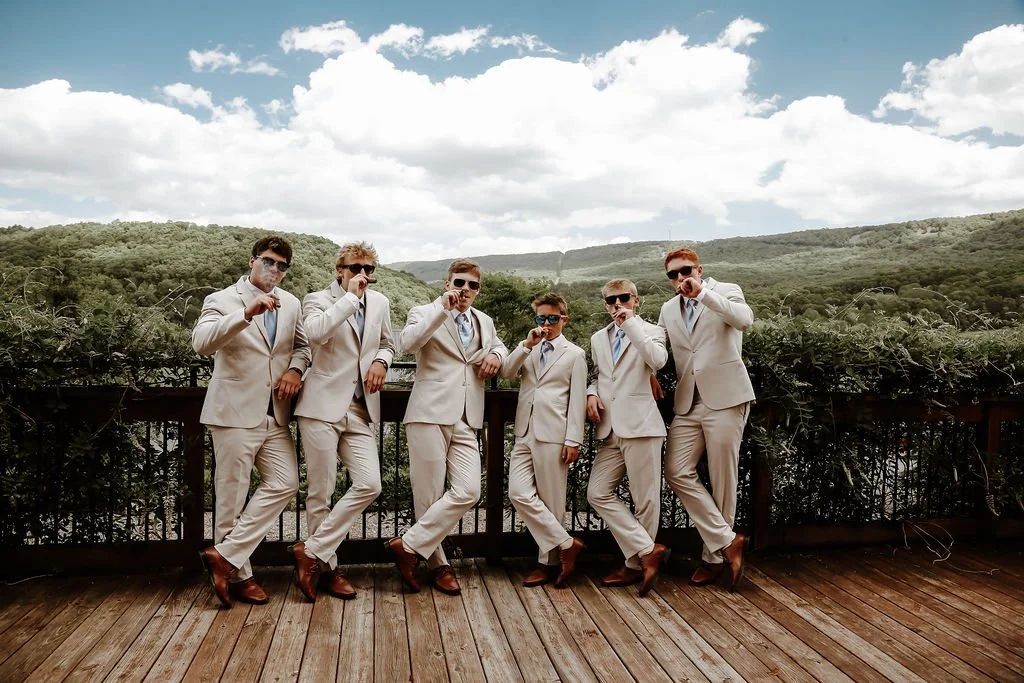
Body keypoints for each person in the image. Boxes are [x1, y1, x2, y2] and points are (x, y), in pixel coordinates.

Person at [193, 235, 311, 608]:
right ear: (252, 261)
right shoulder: (222, 300)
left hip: (275, 412)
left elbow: (302, 348)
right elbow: (202, 342)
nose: (274, 270)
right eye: (268, 261)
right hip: (233, 413)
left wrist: (295, 369)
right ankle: (240, 576)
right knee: (231, 495)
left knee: (286, 482)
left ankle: (224, 557)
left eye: (281, 265)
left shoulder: (291, 303)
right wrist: (246, 315)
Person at [386, 259, 508, 595]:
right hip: (428, 412)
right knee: (428, 496)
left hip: (468, 416)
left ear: (478, 290)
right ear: (447, 284)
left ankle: (408, 545)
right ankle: (438, 565)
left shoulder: (484, 320)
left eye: (472, 285)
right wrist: (441, 309)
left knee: (469, 490)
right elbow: (408, 343)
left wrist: (497, 356)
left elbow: (498, 345)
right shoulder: (423, 310)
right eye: (459, 283)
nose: (465, 290)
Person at [290, 242, 395, 601]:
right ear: (340, 269)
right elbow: (316, 333)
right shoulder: (317, 299)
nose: (362, 275)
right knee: (321, 492)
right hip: (320, 405)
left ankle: (312, 551)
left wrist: (381, 361)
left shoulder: (380, 303)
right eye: (355, 267)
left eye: (368, 269)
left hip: (360, 408)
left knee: (369, 484)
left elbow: (388, 343)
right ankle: (328, 570)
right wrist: (350, 299)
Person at [658, 247, 753, 591]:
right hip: (688, 401)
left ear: (699, 270)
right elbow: (659, 347)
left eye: (685, 271)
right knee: (676, 471)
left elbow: (744, 319)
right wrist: (650, 372)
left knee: (723, 478)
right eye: (673, 274)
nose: (680, 278)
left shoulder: (726, 290)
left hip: (726, 398)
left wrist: (704, 295)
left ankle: (714, 560)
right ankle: (728, 541)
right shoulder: (668, 309)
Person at [585, 279, 669, 596]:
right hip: (610, 429)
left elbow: (657, 361)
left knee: (645, 499)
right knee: (597, 493)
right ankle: (648, 550)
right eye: (611, 300)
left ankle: (636, 566)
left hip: (642, 425)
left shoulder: (652, 331)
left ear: (636, 299)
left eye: (623, 298)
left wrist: (630, 323)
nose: (617, 304)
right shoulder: (597, 338)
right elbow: (597, 374)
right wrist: (591, 394)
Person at [500, 292, 587, 587]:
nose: (546, 323)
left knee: (553, 502)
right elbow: (507, 372)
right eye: (541, 318)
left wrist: (573, 439)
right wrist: (526, 345)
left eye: (552, 318)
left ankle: (547, 564)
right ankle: (566, 544)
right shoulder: (530, 348)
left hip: (555, 434)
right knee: (518, 493)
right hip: (524, 431)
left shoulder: (575, 354)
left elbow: (576, 401)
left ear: (564, 319)